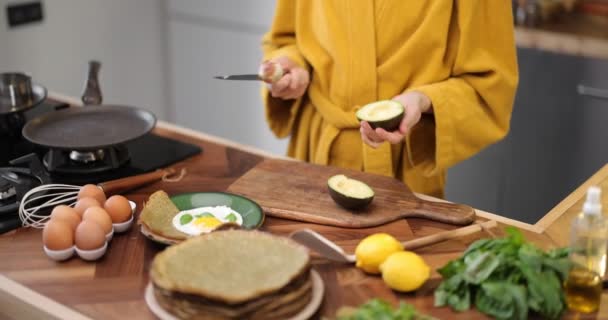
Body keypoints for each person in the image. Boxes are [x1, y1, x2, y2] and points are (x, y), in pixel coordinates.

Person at [259, 1, 518, 198]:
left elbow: (490, 85)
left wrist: (424, 100)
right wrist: (291, 66)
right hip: (311, 160)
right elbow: (286, 38)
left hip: (402, 178)